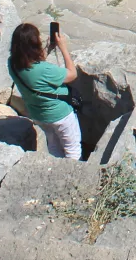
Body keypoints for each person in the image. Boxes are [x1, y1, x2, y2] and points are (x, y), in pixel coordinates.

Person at [8, 22, 81, 160]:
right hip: (60, 115)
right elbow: (72, 74)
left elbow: (31, 65)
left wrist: (47, 48)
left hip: (38, 114)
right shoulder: (44, 70)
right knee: (73, 149)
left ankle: (55, 170)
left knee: (53, 145)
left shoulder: (12, 63)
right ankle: (72, 176)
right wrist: (63, 48)